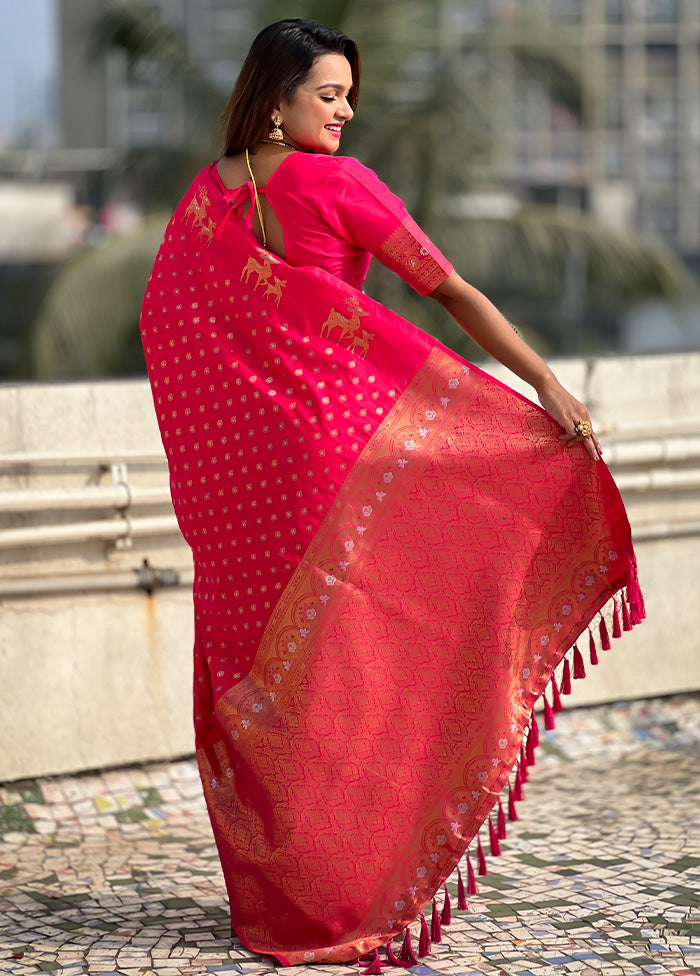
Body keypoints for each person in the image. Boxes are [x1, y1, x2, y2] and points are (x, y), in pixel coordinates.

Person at [140, 19, 644, 967]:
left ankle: (287, 899)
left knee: (273, 676)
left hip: (246, 480)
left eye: (348, 93)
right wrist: (542, 381)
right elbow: (447, 289)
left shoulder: (207, 197)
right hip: (337, 450)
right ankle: (352, 884)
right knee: (357, 663)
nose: (347, 109)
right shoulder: (339, 184)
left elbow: (164, 322)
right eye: (328, 93)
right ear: (278, 101)